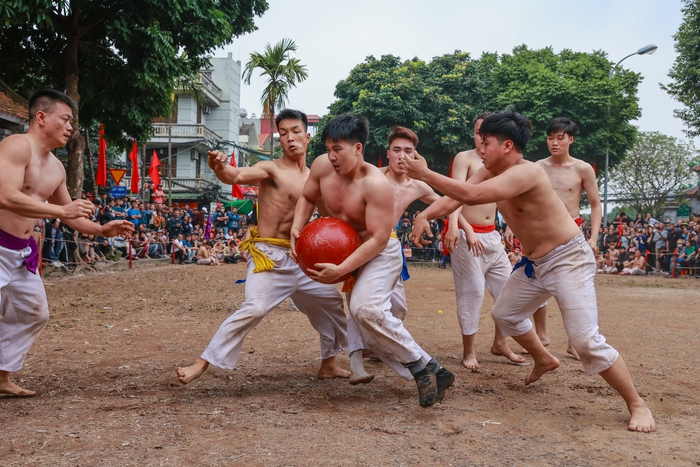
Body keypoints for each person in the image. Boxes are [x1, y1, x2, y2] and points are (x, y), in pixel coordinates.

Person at [402, 108, 654, 431]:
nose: (481, 148)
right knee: (505, 314)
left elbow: (471, 194)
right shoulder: (489, 170)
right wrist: (424, 216)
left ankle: (637, 403)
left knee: (585, 341)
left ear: (507, 146)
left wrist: (424, 174)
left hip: (568, 259)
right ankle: (543, 357)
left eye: (487, 142)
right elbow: (455, 199)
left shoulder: (528, 172)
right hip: (535, 263)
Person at [290, 114, 454, 407]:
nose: (331, 156)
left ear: (357, 149)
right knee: (366, 319)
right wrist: (296, 227)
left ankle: (420, 367)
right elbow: (307, 196)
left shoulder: (375, 184)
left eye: (338, 149)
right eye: (328, 148)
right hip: (345, 249)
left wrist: (341, 269)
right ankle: (430, 368)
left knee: (365, 310)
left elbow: (379, 238)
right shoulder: (321, 166)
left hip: (380, 251)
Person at [177, 109, 350, 386]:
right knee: (255, 308)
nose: (290, 138)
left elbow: (332, 217)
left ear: (307, 137)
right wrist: (218, 166)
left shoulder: (315, 179)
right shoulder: (271, 169)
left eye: (295, 132)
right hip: (268, 256)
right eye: (283, 134)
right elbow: (235, 175)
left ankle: (328, 364)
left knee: (331, 304)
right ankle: (202, 362)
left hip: (302, 259)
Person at [0, 89, 133, 396]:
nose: (71, 127)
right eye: (66, 119)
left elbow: (71, 215)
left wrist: (100, 229)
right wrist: (60, 210)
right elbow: (6, 195)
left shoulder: (56, 167)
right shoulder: (15, 146)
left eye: (72, 121)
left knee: (34, 313)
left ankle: (2, 376)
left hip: (22, 252)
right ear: (42, 117)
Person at [444, 113, 526, 370]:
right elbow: (455, 195)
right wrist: (458, 226)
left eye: (487, 133)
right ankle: (469, 351)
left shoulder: (498, 162)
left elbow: (505, 196)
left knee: (507, 290)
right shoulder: (464, 158)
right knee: (473, 292)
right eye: (479, 131)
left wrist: (510, 226)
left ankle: (500, 343)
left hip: (492, 235)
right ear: (474, 133)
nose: (483, 137)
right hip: (468, 235)